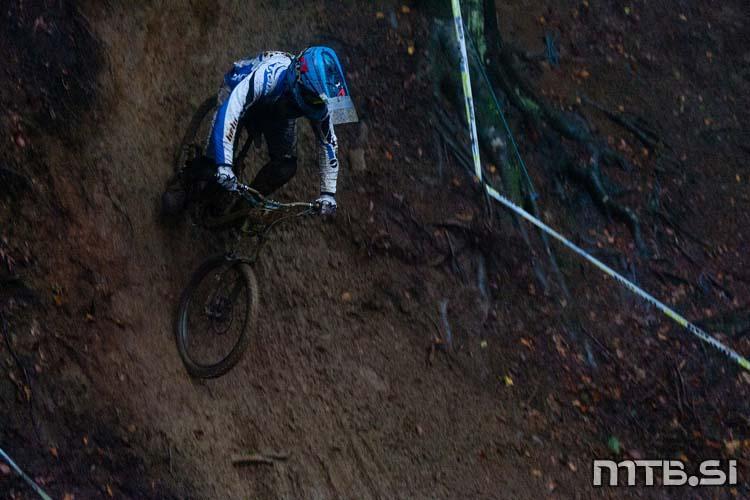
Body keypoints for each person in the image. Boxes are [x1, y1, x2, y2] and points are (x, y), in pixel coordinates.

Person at [164, 47, 358, 216]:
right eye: (313, 98)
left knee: (286, 166)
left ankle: (243, 207)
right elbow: (232, 108)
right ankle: (184, 181)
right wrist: (223, 163)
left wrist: (328, 193)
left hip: (279, 112)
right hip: (238, 92)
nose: (314, 104)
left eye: (318, 101)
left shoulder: (318, 100)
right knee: (214, 163)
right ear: (300, 80)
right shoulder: (269, 74)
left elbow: (328, 143)